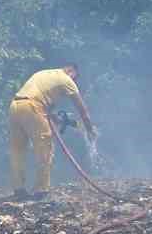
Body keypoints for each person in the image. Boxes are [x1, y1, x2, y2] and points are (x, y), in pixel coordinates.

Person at [9, 65, 96, 199]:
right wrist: (90, 130)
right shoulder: (66, 80)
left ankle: (18, 189)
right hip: (33, 107)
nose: (74, 81)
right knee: (44, 148)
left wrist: (56, 118)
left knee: (18, 151)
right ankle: (41, 190)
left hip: (15, 106)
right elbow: (83, 110)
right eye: (75, 78)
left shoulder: (43, 73)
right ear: (71, 72)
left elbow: (42, 101)